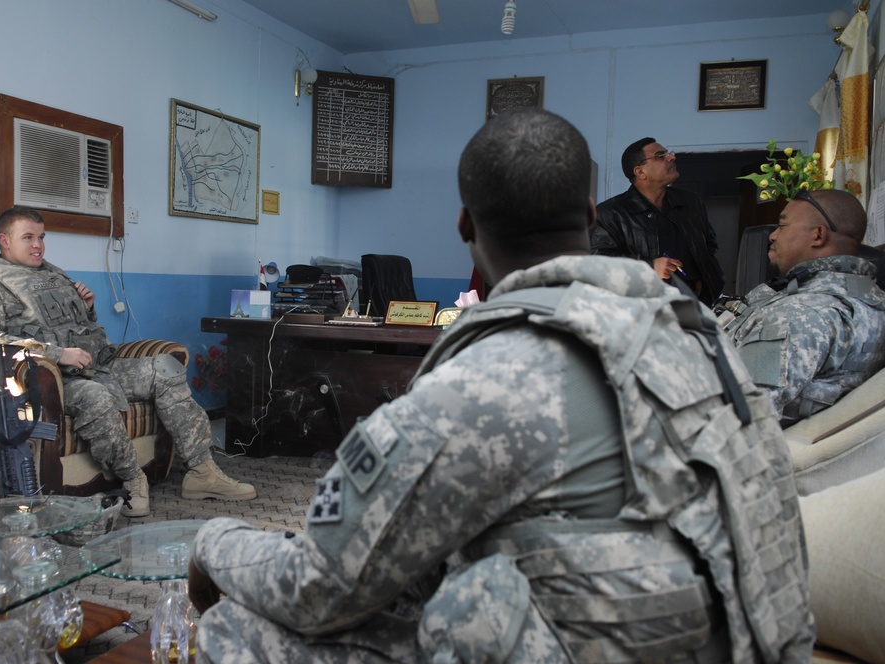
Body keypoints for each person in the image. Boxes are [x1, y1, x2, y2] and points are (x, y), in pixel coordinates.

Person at [188, 109, 813, 662]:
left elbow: (318, 588)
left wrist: (213, 540)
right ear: (591, 214)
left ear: (465, 225)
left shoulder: (478, 386)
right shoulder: (700, 336)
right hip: (752, 636)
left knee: (241, 629)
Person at [0, 206, 256, 517]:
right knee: (93, 396)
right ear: (4, 239)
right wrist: (57, 355)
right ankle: (133, 481)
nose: (38, 245)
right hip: (58, 381)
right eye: (28, 237)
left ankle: (202, 472)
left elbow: (73, 326)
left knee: (165, 367)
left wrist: (87, 307)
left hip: (99, 363)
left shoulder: (51, 273)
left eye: (41, 237)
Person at [721, 189, 885, 426]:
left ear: (818, 235)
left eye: (782, 226)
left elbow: (732, 417)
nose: (773, 236)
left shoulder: (796, 316)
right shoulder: (867, 298)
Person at [591, 137, 725, 305]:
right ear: (640, 172)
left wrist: (703, 276)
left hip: (693, 304)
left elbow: (709, 244)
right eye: (660, 156)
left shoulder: (690, 202)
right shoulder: (609, 213)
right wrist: (649, 266)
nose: (671, 157)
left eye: (667, 153)